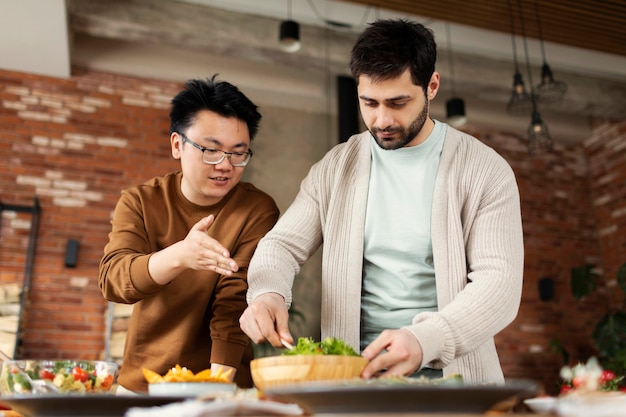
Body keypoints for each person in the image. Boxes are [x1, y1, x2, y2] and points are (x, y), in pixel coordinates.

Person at [240, 19, 524, 384]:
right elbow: (282, 244)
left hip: (454, 380)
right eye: (369, 103)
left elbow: (499, 285)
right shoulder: (335, 168)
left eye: (398, 102)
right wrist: (267, 292)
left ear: (432, 86)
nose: (382, 119)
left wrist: (426, 339)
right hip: (355, 380)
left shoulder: (485, 170)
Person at [99, 75, 280, 394]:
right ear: (177, 145)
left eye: (239, 153)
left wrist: (214, 388)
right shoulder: (140, 201)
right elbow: (114, 280)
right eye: (211, 150)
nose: (225, 165)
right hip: (145, 383)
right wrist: (179, 256)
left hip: (223, 384)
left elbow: (234, 296)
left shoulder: (257, 209)